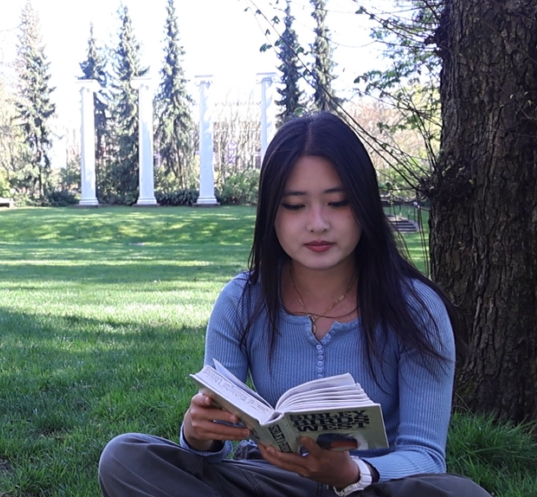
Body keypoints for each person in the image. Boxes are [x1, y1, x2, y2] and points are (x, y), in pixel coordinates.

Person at [98, 112, 491, 497]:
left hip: (371, 486)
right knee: (125, 457)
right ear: (271, 213)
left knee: (461, 493)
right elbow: (213, 454)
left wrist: (351, 473)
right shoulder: (242, 301)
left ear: (364, 205)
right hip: (267, 480)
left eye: (337, 202)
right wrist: (198, 435)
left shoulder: (416, 308)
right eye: (295, 205)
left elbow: (425, 456)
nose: (317, 223)